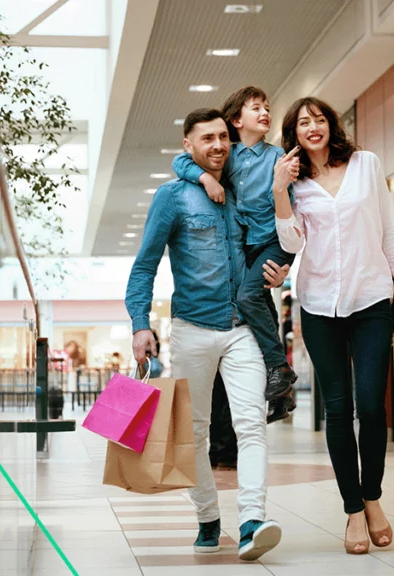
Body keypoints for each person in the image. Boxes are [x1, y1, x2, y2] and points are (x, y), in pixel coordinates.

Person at [126, 108, 290, 561]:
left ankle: (253, 519)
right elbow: (144, 265)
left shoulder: (240, 188)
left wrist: (279, 273)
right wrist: (140, 324)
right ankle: (207, 518)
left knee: (250, 424)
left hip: (243, 329)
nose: (218, 145)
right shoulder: (173, 197)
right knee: (195, 432)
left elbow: (272, 239)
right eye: (207, 139)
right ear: (189, 145)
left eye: (223, 137)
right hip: (192, 329)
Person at [272, 97, 394, 555]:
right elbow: (291, 242)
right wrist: (280, 191)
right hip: (319, 306)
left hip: (372, 298)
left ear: (331, 124)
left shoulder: (366, 164)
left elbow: (389, 230)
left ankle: (373, 497)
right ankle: (354, 511)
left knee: (371, 405)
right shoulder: (295, 184)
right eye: (303, 123)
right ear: (294, 135)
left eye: (318, 119)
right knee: (337, 409)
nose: (312, 127)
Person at [172, 86, 297, 424]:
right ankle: (281, 390)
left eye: (267, 107)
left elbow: (294, 213)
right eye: (256, 107)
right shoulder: (229, 155)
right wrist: (205, 179)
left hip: (274, 241)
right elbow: (180, 161)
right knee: (258, 302)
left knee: (246, 295)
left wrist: (287, 262)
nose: (265, 112)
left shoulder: (279, 158)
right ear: (237, 121)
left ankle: (279, 370)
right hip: (245, 244)